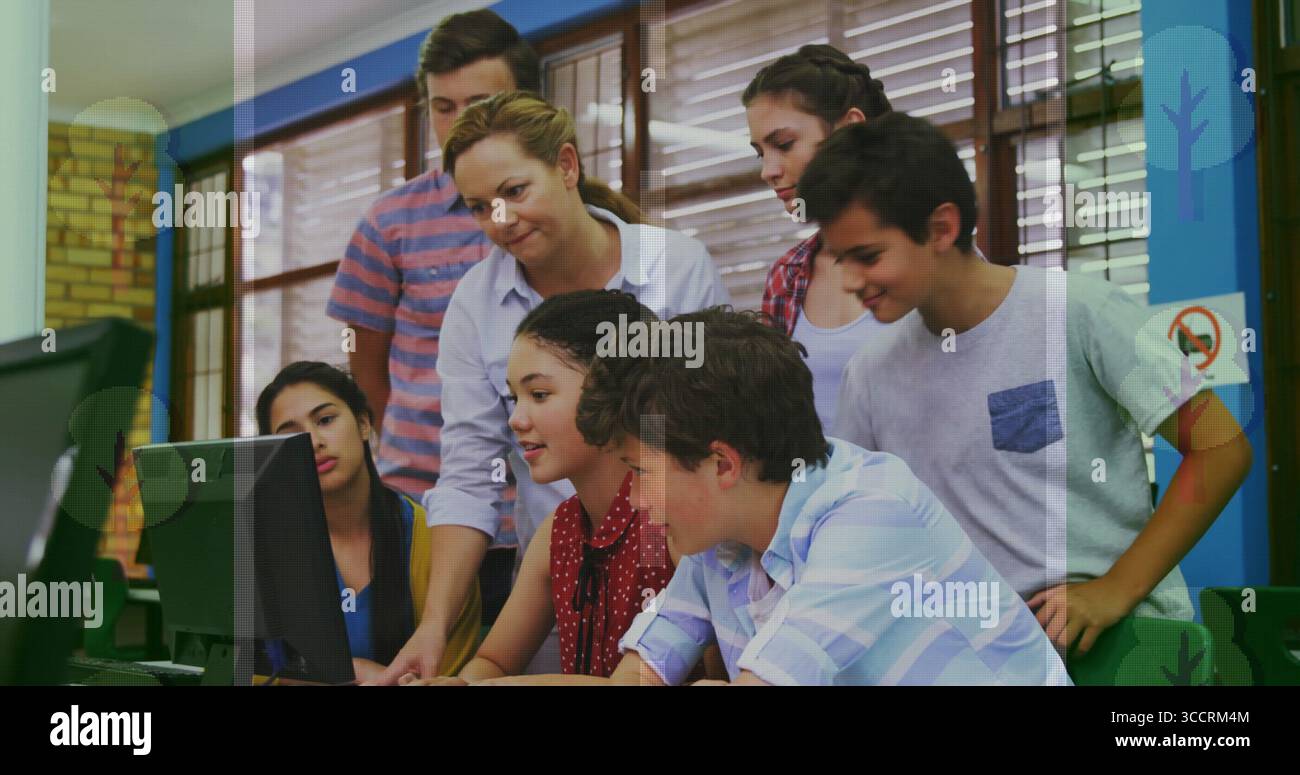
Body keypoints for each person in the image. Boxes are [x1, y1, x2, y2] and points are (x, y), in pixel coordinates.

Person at [804, 113, 1253, 655]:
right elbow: (862, 524)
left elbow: (1220, 449)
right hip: (972, 658)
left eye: (868, 257)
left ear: (941, 228)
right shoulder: (870, 373)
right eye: (840, 260)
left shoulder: (1079, 312)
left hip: (1117, 647)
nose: (850, 281)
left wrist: (1116, 589)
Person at [374, 91, 730, 684]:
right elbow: (469, 475)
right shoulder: (476, 303)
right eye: (479, 207)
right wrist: (434, 628)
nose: (501, 221)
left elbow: (717, 430)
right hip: (563, 575)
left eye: (515, 192)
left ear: (567, 165)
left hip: (674, 550)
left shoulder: (677, 267)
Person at [574, 308, 1067, 685]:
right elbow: (642, 670)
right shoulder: (721, 537)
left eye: (641, 473)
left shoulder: (872, 513)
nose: (634, 499)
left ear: (722, 463)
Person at [405, 291, 717, 685]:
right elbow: (495, 661)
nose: (516, 419)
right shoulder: (559, 530)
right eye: (514, 398)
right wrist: (461, 682)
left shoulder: (674, 524)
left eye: (539, 395)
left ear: (612, 395)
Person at [326, 8, 539, 500]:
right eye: (443, 107)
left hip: (544, 493)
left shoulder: (560, 213)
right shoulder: (389, 222)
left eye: (480, 103)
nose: (461, 122)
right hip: (423, 488)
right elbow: (365, 360)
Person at [255, 361, 482, 682]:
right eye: (291, 435)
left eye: (326, 420)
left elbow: (451, 674)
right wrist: (353, 671)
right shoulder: (265, 548)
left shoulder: (436, 539)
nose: (313, 441)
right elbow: (251, 670)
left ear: (363, 423)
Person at [744, 44, 893, 430]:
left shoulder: (933, 256)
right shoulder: (786, 275)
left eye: (784, 145)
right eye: (760, 153)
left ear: (849, 130)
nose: (768, 171)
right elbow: (772, 420)